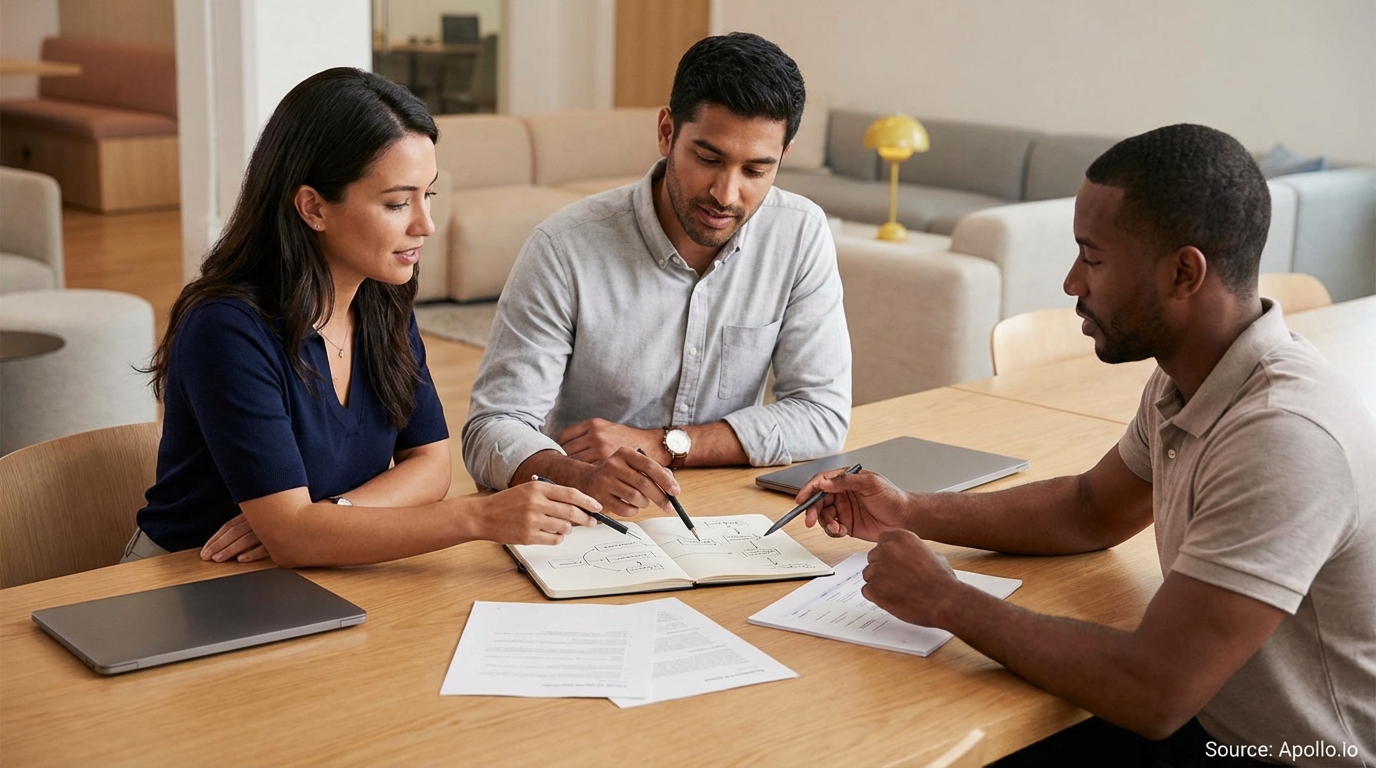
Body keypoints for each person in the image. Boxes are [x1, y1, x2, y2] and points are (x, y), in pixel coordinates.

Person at [799, 124, 1375, 765]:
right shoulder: (1190, 375)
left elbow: (1154, 690)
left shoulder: (1283, 438)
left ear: (1184, 273)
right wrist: (910, 511)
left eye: (1093, 257)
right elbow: (1090, 508)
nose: (1072, 282)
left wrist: (946, 599)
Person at [125, 68, 601, 568]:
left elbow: (431, 465)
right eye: (398, 202)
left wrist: (328, 519)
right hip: (186, 577)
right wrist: (477, 518)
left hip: (316, 572)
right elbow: (294, 537)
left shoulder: (380, 299)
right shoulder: (226, 329)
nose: (426, 224)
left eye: (428, 195)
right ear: (313, 207)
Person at [462, 32, 851, 518]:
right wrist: (579, 476)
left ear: (783, 157)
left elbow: (822, 415)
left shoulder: (799, 233)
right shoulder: (565, 248)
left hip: (727, 513)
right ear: (667, 132)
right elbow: (492, 428)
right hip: (590, 515)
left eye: (756, 170)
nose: (727, 194)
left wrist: (667, 444)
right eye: (708, 159)